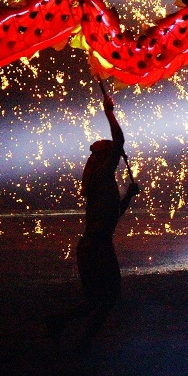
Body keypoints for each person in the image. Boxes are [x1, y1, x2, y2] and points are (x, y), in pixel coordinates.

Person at [47, 94, 139, 352]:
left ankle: (61, 325)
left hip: (95, 245)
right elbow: (120, 141)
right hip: (96, 247)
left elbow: (112, 216)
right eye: (112, 154)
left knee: (97, 300)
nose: (117, 157)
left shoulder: (103, 181)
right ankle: (82, 342)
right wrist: (109, 112)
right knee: (108, 298)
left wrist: (128, 197)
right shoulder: (101, 175)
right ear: (104, 158)